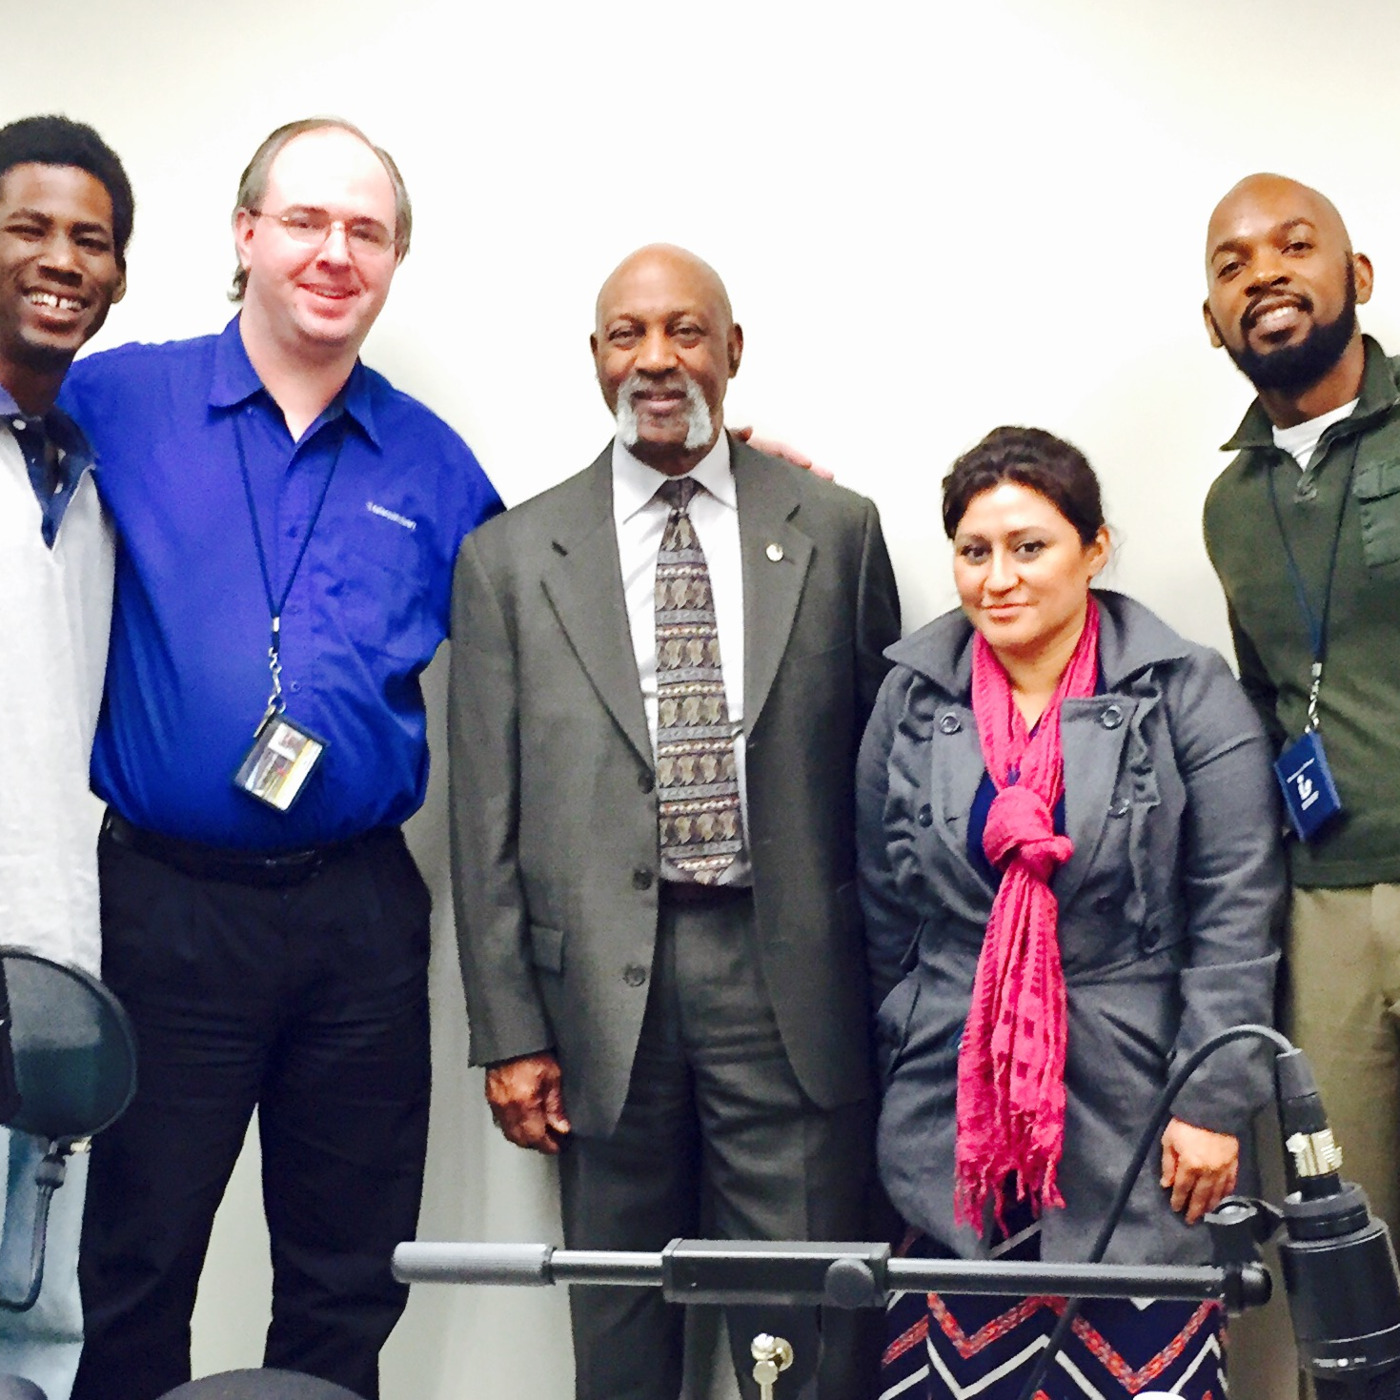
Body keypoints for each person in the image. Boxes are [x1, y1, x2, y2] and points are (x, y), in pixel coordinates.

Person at [60, 118, 502, 1400]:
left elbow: (558, 602)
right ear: (246, 232)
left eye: (366, 231)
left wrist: (711, 475)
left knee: (345, 1272)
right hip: (167, 910)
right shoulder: (117, 401)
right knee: (136, 1259)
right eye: (305, 220)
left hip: (357, 916)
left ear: (396, 259)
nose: (334, 252)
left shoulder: (434, 463)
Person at [449, 243, 900, 1400]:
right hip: (596, 1003)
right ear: (595, 358)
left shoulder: (837, 530)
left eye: (685, 330)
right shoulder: (508, 558)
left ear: (731, 349)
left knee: (800, 1333)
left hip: (786, 983)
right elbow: (482, 817)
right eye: (627, 334)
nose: (656, 358)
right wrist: (509, 1030)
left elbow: (882, 783)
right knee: (619, 1334)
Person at [859, 427, 1281, 1400]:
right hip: (954, 1113)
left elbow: (1235, 906)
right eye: (973, 550)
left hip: (1138, 1112)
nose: (998, 577)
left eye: (1029, 546)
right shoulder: (911, 697)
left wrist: (1211, 1104)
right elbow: (883, 906)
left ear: (1094, 548)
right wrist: (907, 1035)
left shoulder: (1183, 689)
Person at [1201, 173, 1400, 1248]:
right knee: (1343, 1229)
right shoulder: (1230, 505)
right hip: (1319, 904)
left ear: (1355, 273)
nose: (1264, 275)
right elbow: (1264, 694)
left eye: (1293, 245)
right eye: (1232, 265)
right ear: (1212, 320)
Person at [0, 113, 131, 1400]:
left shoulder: (84, 473)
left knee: (39, 1320)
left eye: (89, 240)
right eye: (27, 229)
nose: (60, 261)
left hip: (51, 973)